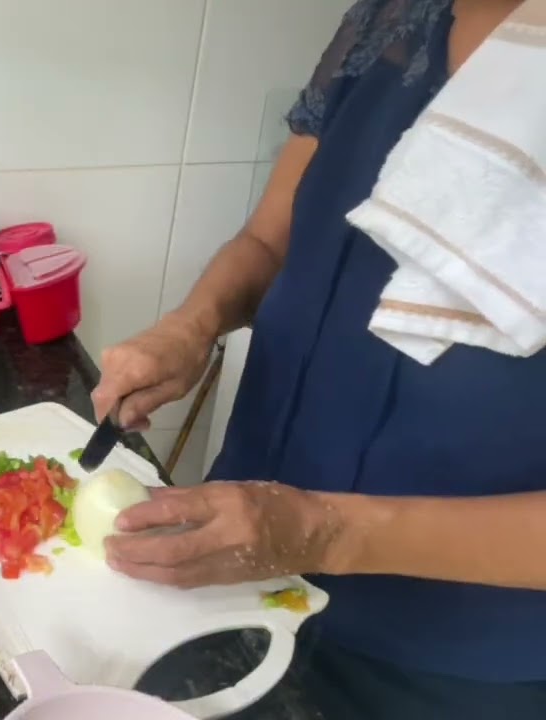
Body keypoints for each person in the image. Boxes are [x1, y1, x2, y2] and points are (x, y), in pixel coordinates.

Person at [89, 0, 546, 717]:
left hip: (447, 664)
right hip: (236, 559)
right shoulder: (391, 19)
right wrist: (191, 325)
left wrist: (324, 530)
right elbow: (272, 242)